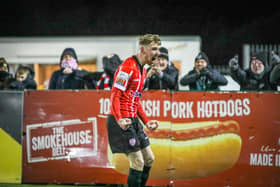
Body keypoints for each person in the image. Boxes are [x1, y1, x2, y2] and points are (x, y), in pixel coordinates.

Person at [106, 34, 161, 187]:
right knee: (138, 161)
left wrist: (147, 122)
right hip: (121, 120)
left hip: (133, 121)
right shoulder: (127, 67)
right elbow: (115, 95)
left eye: (158, 49)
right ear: (143, 49)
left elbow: (135, 101)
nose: (157, 53)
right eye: (154, 49)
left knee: (149, 159)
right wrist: (119, 119)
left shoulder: (143, 71)